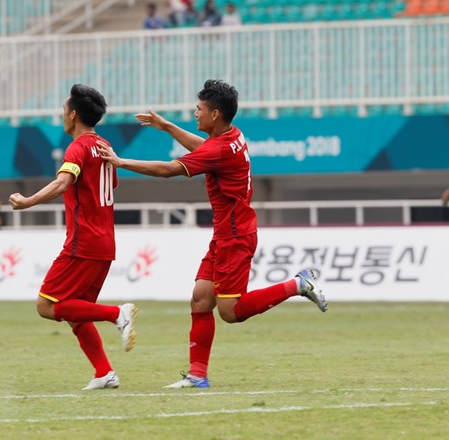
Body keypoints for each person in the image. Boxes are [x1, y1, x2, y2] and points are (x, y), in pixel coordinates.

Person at [98, 79, 327, 388]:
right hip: (226, 233)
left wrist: (120, 162)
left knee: (231, 312)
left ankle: (297, 284)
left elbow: (168, 170)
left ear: (215, 114)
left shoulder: (219, 148)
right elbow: (204, 149)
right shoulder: (231, 136)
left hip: (235, 236)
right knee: (201, 299)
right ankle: (197, 375)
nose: (196, 113)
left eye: (199, 109)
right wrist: (167, 127)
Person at [8, 84, 137, 391]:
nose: (62, 116)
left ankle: (117, 314)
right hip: (105, 242)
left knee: (47, 305)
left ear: (73, 114)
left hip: (84, 241)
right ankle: (104, 373)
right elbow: (111, 184)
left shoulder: (77, 148)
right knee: (76, 312)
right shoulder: (104, 145)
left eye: (64, 110)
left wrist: (28, 201)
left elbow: (63, 183)